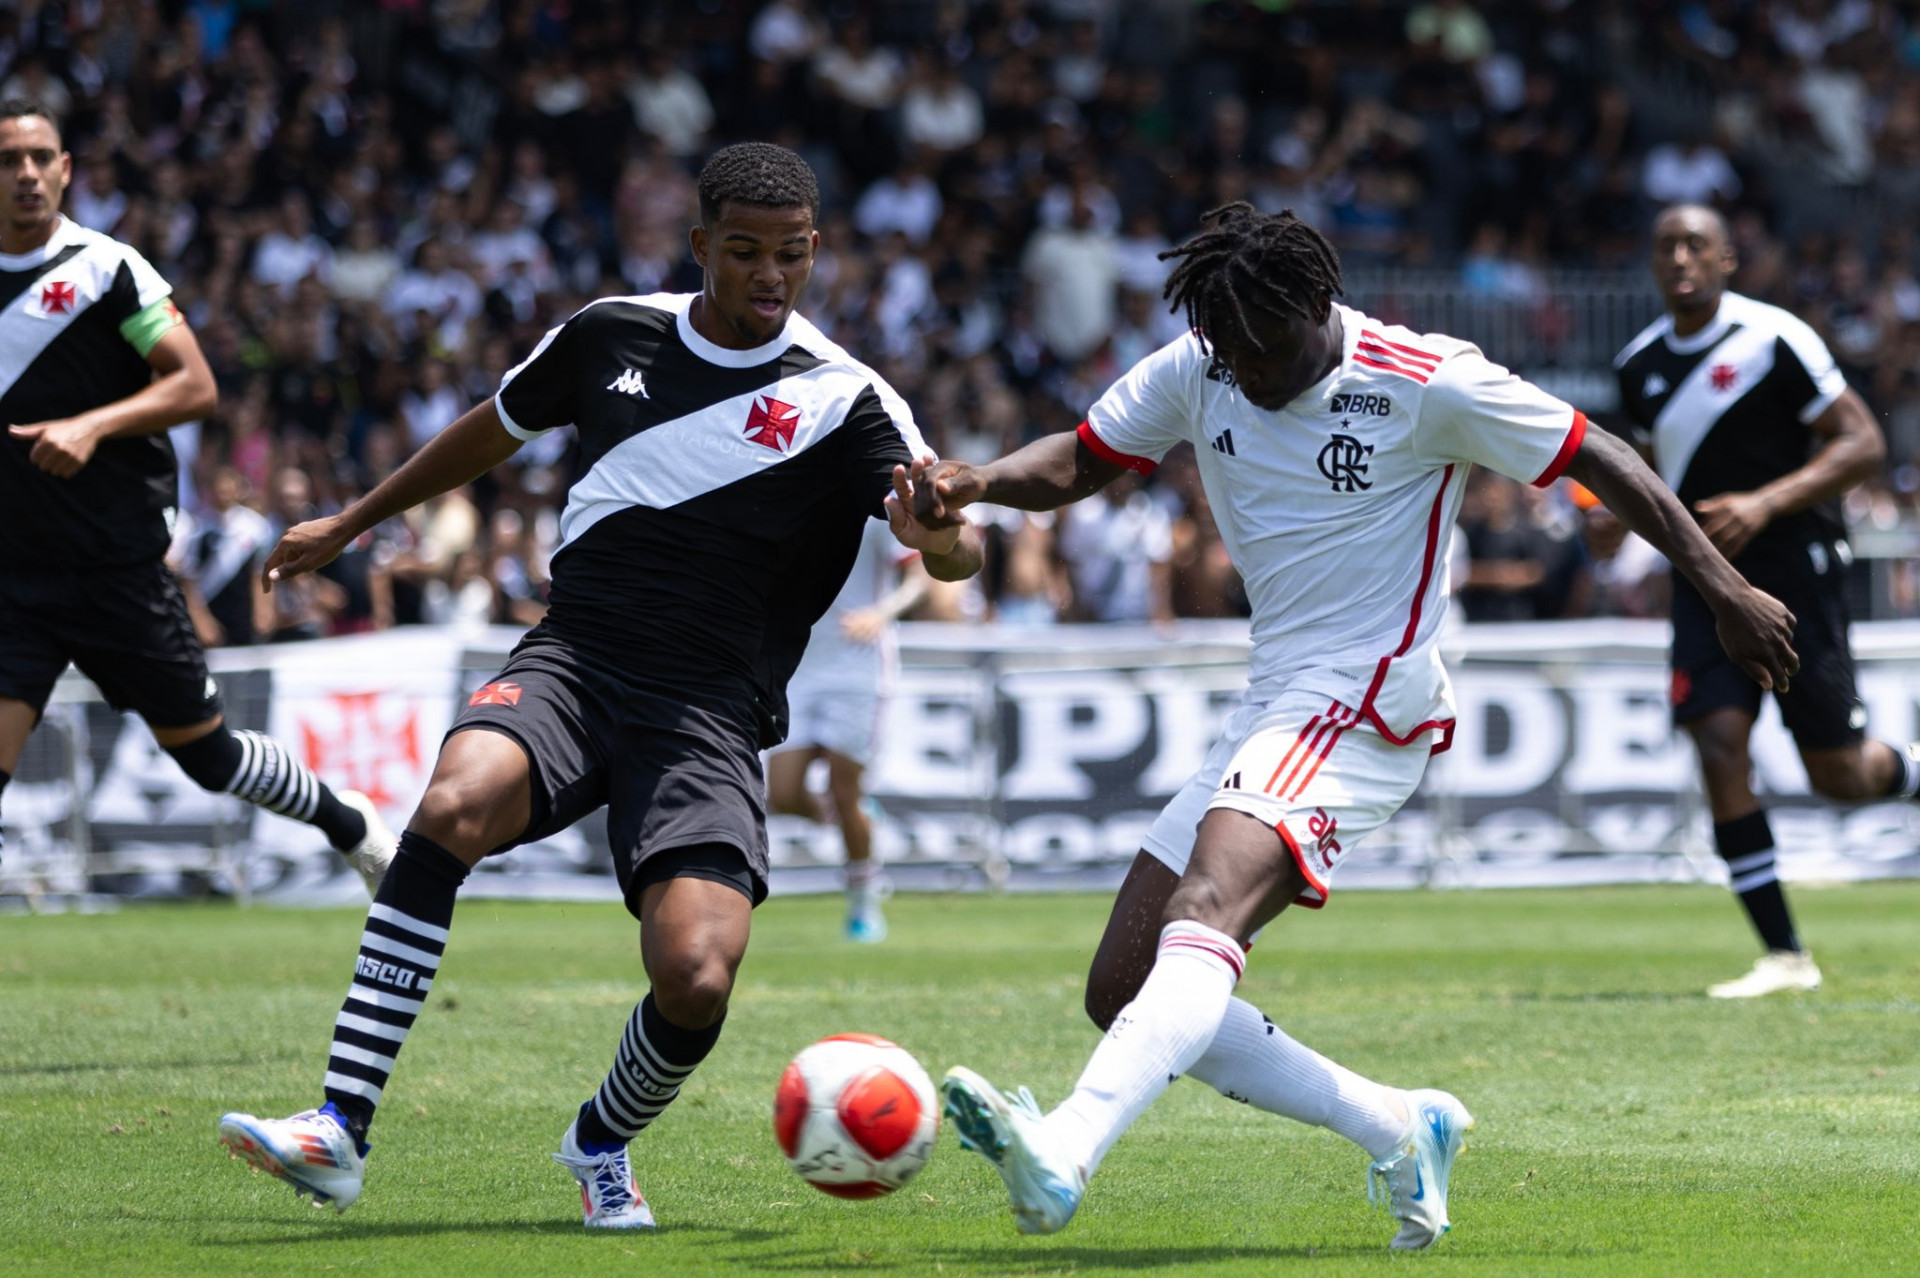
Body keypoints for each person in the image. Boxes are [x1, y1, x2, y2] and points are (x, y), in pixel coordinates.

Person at [909, 202, 1798, 1248]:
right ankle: (1398, 1122)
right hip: (1275, 701)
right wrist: (979, 480)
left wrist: (1724, 590)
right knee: (1124, 989)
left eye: (1264, 346)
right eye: (1228, 348)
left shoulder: (1426, 380)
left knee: (1205, 908)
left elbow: (1599, 453)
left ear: (1314, 305)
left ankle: (1064, 1148)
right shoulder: (1207, 361)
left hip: (1371, 700)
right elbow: (1086, 458)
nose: (1245, 369)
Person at [215, 143, 981, 1229]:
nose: (772, 276)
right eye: (749, 252)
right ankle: (339, 1126)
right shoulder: (611, 331)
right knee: (452, 802)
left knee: (699, 975)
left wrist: (939, 535)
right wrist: (355, 519)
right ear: (702, 244)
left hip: (710, 711)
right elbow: (494, 425)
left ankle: (600, 1141)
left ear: (818, 252)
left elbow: (954, 550)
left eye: (794, 256)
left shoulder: (847, 400)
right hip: (577, 659)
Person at [0, 100, 393, 891]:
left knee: (210, 757)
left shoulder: (106, 268)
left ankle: (347, 821)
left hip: (117, 570)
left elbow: (195, 384)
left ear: (66, 169)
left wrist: (90, 427)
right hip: (15, 580)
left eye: (42, 157)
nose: (27, 174)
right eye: (10, 160)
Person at [1615, 204, 1919, 998]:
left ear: (1727, 262)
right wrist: (1608, 531)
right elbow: (1649, 481)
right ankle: (1786, 955)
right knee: (1719, 743)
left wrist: (1763, 504)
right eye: (1666, 246)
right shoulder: (1637, 365)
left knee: (1841, 776)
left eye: (1696, 245)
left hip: (1795, 568)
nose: (1679, 258)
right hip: (1704, 581)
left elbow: (1862, 443)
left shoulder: (1773, 339)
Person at [765, 514, 928, 942]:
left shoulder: (871, 515)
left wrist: (881, 613)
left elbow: (918, 575)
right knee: (781, 793)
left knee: (845, 786)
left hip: (859, 666)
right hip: (800, 667)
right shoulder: (786, 502)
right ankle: (851, 820)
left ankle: (863, 901)